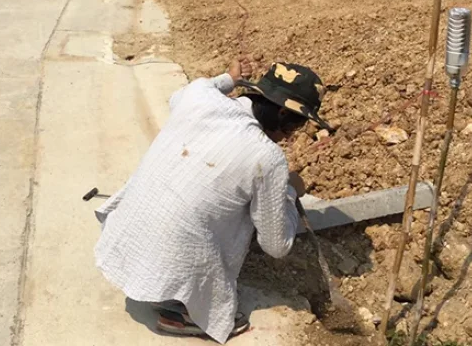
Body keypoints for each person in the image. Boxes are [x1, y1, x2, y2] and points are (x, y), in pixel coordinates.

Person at [94, 59, 332, 343]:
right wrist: (290, 192)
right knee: (246, 213)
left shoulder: (199, 97)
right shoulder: (267, 157)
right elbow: (276, 245)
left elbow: (192, 90)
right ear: (282, 113)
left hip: (125, 239)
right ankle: (181, 313)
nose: (289, 136)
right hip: (168, 262)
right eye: (293, 127)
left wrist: (229, 79)